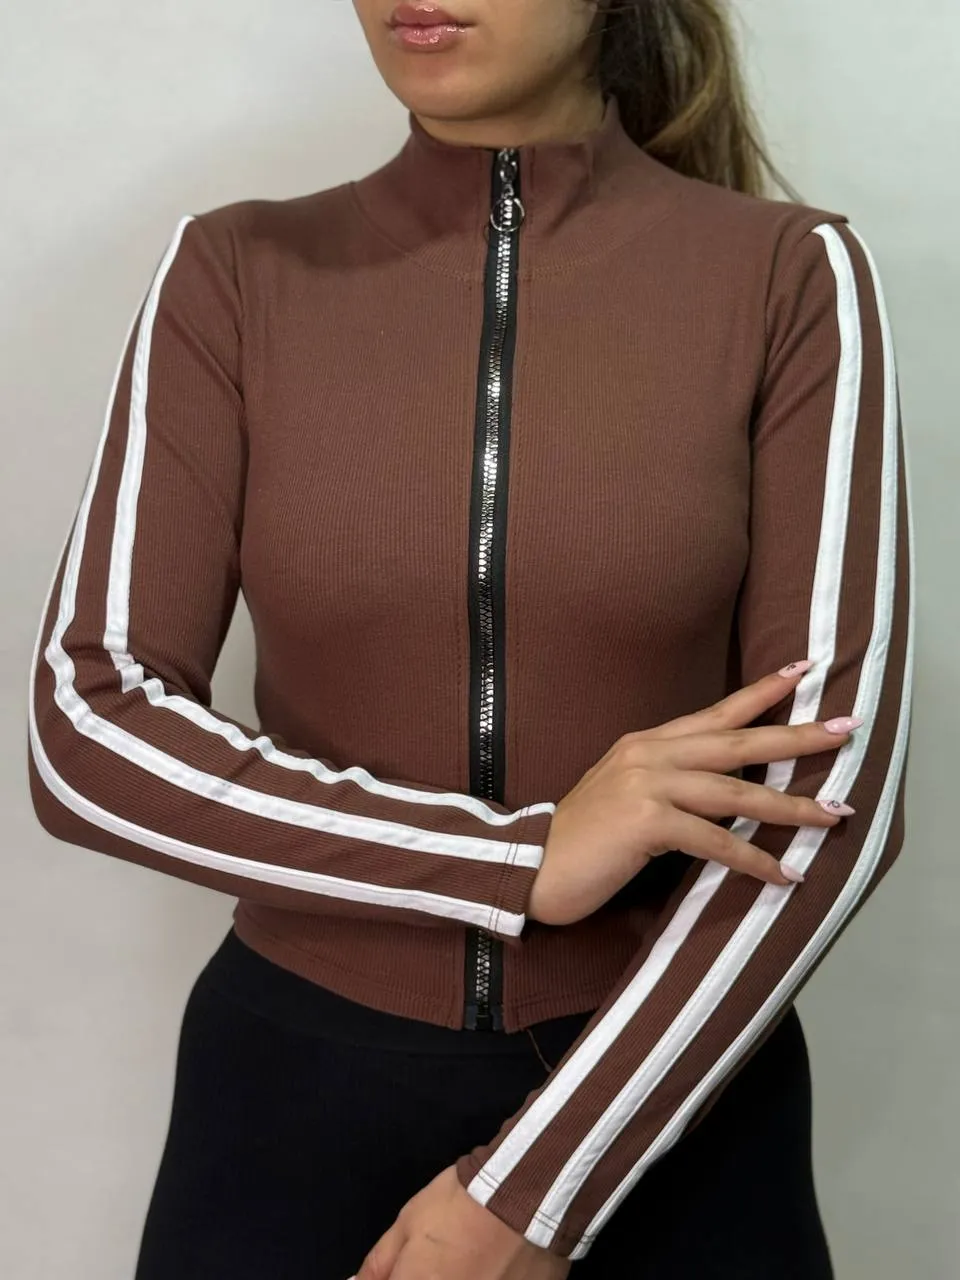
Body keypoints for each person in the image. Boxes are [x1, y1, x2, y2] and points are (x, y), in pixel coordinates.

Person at [27, 0, 913, 1276]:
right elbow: (88, 724)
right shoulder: (235, 270)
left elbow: (830, 788)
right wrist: (517, 857)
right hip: (288, 1112)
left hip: (667, 1105)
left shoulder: (788, 275)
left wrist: (536, 1191)